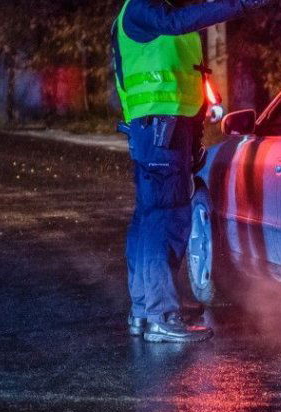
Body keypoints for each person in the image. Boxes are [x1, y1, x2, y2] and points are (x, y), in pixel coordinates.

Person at [113, 0, 268, 343]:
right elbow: (178, 22)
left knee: (151, 216)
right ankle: (160, 314)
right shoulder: (142, 8)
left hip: (166, 127)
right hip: (158, 127)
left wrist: (206, 106)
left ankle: (146, 309)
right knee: (165, 218)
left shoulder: (159, 14)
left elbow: (193, 71)